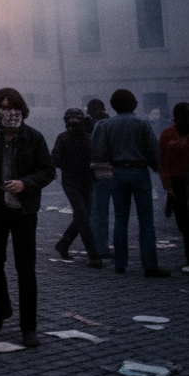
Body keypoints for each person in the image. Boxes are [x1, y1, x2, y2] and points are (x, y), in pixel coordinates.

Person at [0, 87, 55, 348]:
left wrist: (26, 183)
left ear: (22, 110)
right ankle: (1, 309)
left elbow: (48, 170)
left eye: (14, 108)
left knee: (25, 269)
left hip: (24, 210)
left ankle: (28, 327)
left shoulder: (33, 137)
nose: (9, 113)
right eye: (4, 108)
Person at [92, 88, 169, 277]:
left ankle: (120, 263)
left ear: (114, 105)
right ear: (134, 103)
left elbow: (101, 152)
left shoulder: (107, 125)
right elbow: (153, 150)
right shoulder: (141, 124)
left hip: (118, 172)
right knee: (145, 220)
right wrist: (155, 166)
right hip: (139, 171)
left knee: (120, 219)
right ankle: (150, 266)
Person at [50, 108, 103, 267]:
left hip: (86, 181)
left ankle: (64, 243)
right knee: (83, 217)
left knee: (82, 216)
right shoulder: (63, 138)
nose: (74, 123)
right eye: (72, 120)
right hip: (71, 181)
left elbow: (94, 156)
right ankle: (94, 257)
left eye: (77, 119)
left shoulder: (87, 138)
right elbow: (55, 160)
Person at [159, 102, 189, 272]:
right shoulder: (167, 133)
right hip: (177, 182)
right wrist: (168, 185)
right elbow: (163, 161)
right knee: (184, 223)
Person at [86, 97, 112, 257]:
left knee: (96, 211)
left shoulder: (85, 125)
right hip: (111, 169)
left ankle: (98, 246)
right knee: (109, 212)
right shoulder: (109, 123)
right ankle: (102, 247)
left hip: (92, 171)